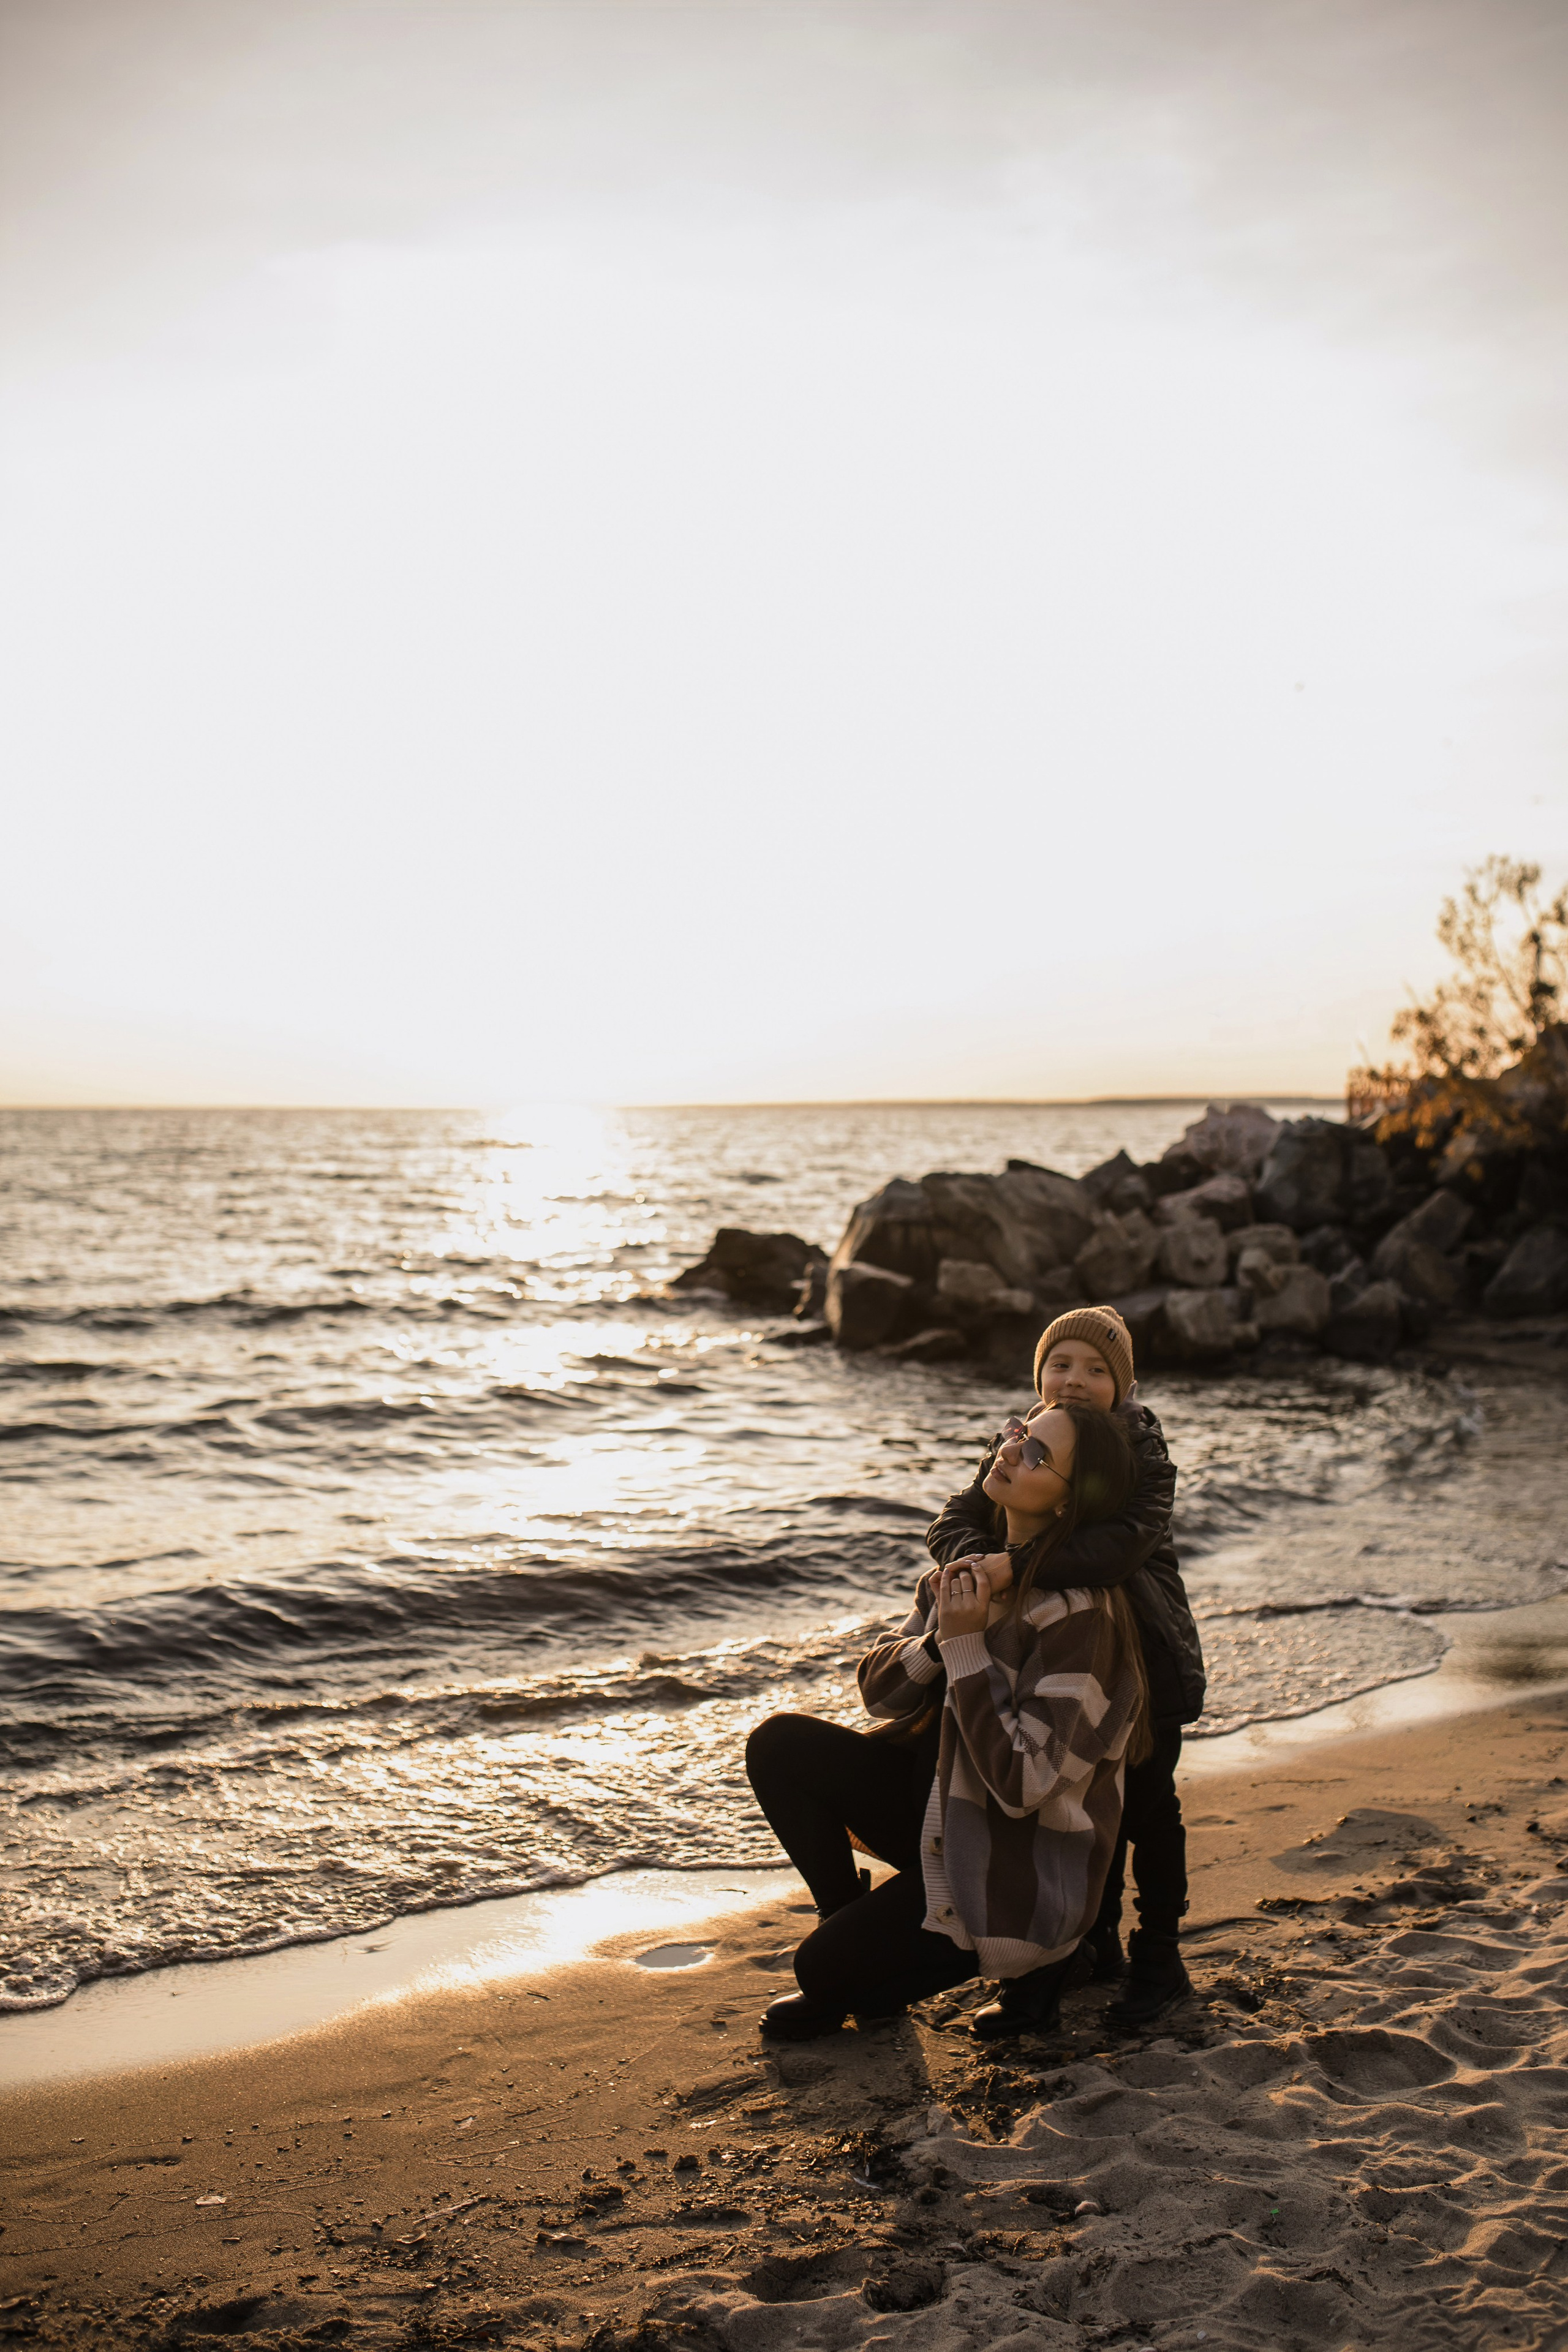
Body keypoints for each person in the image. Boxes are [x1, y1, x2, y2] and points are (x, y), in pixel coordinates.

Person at [745, 1400, 1151, 2043]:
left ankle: (1047, 1962)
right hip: (946, 1813)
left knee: (818, 1973)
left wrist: (967, 1647)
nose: (1010, 1450)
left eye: (1038, 1454)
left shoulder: (1080, 1616)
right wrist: (941, 1640)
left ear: (1070, 1505)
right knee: (780, 1746)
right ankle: (843, 1925)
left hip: (1015, 1870)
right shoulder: (965, 1571)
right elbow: (879, 1698)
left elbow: (1024, 1783)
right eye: (1018, 1433)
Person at [927, 1304, 1205, 2026]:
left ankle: (1161, 1958)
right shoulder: (1022, 1442)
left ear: (1124, 1384)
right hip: (1063, 1660)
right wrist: (972, 1571)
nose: (1074, 1381)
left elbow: (1116, 1550)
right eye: (1059, 1364)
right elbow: (952, 1521)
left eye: (1095, 1370)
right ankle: (1091, 1947)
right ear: (1038, 1373)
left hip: (1143, 1660)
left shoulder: (1143, 1452)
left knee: (1147, 1810)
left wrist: (1012, 1567)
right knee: (1083, 1810)